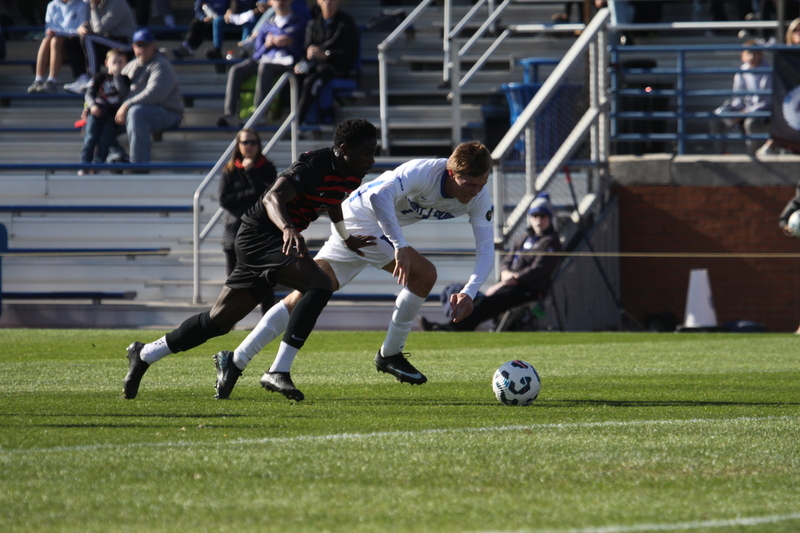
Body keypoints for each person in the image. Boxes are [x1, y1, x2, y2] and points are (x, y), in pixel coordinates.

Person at [214, 141, 494, 401]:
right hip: (360, 218)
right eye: (468, 183)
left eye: (481, 184)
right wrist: (400, 245)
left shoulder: (479, 199)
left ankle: (236, 359)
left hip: (362, 226)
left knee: (307, 293)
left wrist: (469, 292)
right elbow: (379, 197)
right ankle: (390, 354)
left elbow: (486, 249)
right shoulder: (424, 171)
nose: (474, 191)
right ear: (450, 170)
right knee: (424, 275)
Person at [123, 118, 378, 400]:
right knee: (319, 286)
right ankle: (278, 370)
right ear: (344, 149)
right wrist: (288, 227)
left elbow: (333, 202)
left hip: (270, 241)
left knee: (218, 322)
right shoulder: (315, 164)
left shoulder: (352, 173)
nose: (372, 158)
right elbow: (272, 198)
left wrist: (346, 238)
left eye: (373, 151)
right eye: (367, 152)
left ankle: (145, 353)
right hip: (260, 235)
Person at [420, 193, 563, 332]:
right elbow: (507, 259)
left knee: (487, 302)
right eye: (535, 215)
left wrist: (514, 278)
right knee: (459, 291)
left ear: (550, 218)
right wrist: (505, 273)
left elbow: (539, 269)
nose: (538, 219)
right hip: (509, 284)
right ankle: (453, 325)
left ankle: (453, 329)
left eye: (542, 216)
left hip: (528, 289)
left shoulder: (551, 241)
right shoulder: (525, 237)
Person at [217, 0, 305, 127]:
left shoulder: (299, 22)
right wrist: (267, 45)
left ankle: (259, 114)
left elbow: (302, 52)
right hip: (265, 59)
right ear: (270, 2)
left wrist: (290, 44)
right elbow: (256, 54)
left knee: (265, 67)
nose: (280, 2)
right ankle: (229, 113)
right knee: (236, 69)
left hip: (286, 62)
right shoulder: (266, 25)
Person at [218, 128, 278, 313]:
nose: (249, 146)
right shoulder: (229, 170)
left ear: (259, 145)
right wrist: (253, 194)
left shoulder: (267, 168)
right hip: (234, 233)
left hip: (261, 235)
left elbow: (269, 196)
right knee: (234, 284)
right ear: (238, 145)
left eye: (253, 142)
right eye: (245, 142)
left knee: (264, 282)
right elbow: (225, 200)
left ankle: (268, 323)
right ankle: (226, 322)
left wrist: (251, 170)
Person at [116, 28, 183, 165]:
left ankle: (139, 164)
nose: (142, 49)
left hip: (167, 112)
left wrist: (126, 105)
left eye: (145, 45)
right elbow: (117, 93)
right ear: (133, 47)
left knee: (137, 113)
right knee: (97, 121)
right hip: (138, 113)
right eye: (138, 45)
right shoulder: (130, 66)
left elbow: (155, 94)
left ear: (153, 45)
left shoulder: (161, 65)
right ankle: (115, 157)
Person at [294, 0, 359, 125]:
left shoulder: (346, 22)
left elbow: (351, 53)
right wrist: (305, 58)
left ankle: (297, 120)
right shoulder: (313, 23)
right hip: (315, 66)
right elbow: (306, 49)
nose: (328, 2)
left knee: (311, 81)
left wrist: (326, 55)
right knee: (294, 76)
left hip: (336, 67)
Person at [711, 41, 771, 155]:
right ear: (742, 56)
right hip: (742, 110)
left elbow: (767, 102)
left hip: (760, 112)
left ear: (761, 55)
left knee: (750, 123)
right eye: (748, 53)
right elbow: (738, 97)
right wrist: (734, 112)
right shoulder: (741, 72)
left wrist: (745, 113)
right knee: (715, 119)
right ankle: (722, 154)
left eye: (755, 53)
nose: (751, 57)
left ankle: (751, 158)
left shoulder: (768, 72)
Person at [66, 0, 136, 94]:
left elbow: (100, 29)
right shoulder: (99, 4)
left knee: (88, 38)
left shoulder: (117, 3)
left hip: (124, 44)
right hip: (107, 41)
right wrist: (83, 28)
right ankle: (82, 77)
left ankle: (94, 78)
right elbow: (92, 25)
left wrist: (93, 8)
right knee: (73, 40)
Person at [78, 48, 129, 174]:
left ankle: (97, 166)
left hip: (111, 115)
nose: (117, 65)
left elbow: (122, 94)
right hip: (96, 112)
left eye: (120, 62)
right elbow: (89, 94)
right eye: (114, 62)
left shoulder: (125, 80)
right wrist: (93, 106)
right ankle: (84, 165)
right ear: (106, 63)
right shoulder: (99, 77)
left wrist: (117, 76)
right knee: (90, 138)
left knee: (104, 140)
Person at [755, 17, 800, 156]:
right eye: (796, 30)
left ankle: (772, 144)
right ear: (789, 34)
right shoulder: (784, 56)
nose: (799, 33)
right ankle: (772, 143)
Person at [27, 0, 89, 94]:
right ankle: (38, 80)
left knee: (56, 41)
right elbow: (48, 30)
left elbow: (80, 30)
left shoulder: (83, 5)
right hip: (55, 42)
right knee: (47, 40)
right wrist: (56, 33)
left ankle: (51, 81)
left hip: (72, 46)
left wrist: (58, 32)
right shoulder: (52, 5)